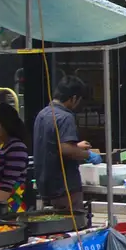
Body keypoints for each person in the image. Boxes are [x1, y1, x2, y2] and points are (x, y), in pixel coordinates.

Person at [33, 77, 98, 216]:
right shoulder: (65, 117)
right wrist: (88, 155)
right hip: (64, 187)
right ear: (73, 98)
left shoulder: (42, 114)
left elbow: (51, 143)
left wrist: (76, 145)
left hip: (45, 184)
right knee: (70, 227)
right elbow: (65, 149)